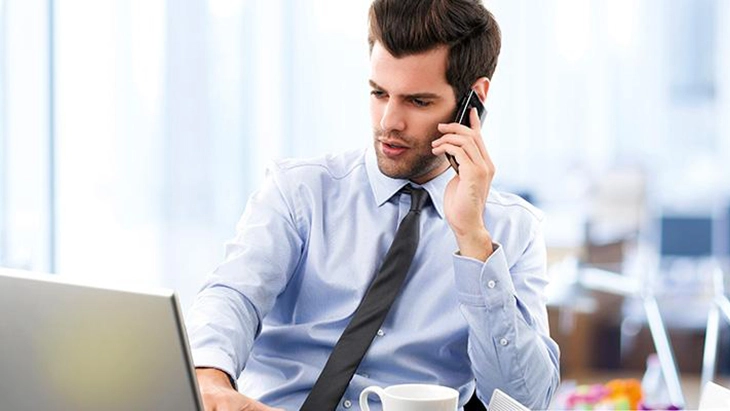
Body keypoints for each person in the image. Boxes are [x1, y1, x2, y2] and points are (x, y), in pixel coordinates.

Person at [186, 0, 560, 410]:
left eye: (417, 102)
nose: (388, 123)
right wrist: (210, 377)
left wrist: (472, 239)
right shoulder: (300, 192)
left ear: (474, 98)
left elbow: (526, 400)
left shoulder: (511, 231)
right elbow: (233, 295)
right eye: (379, 93)